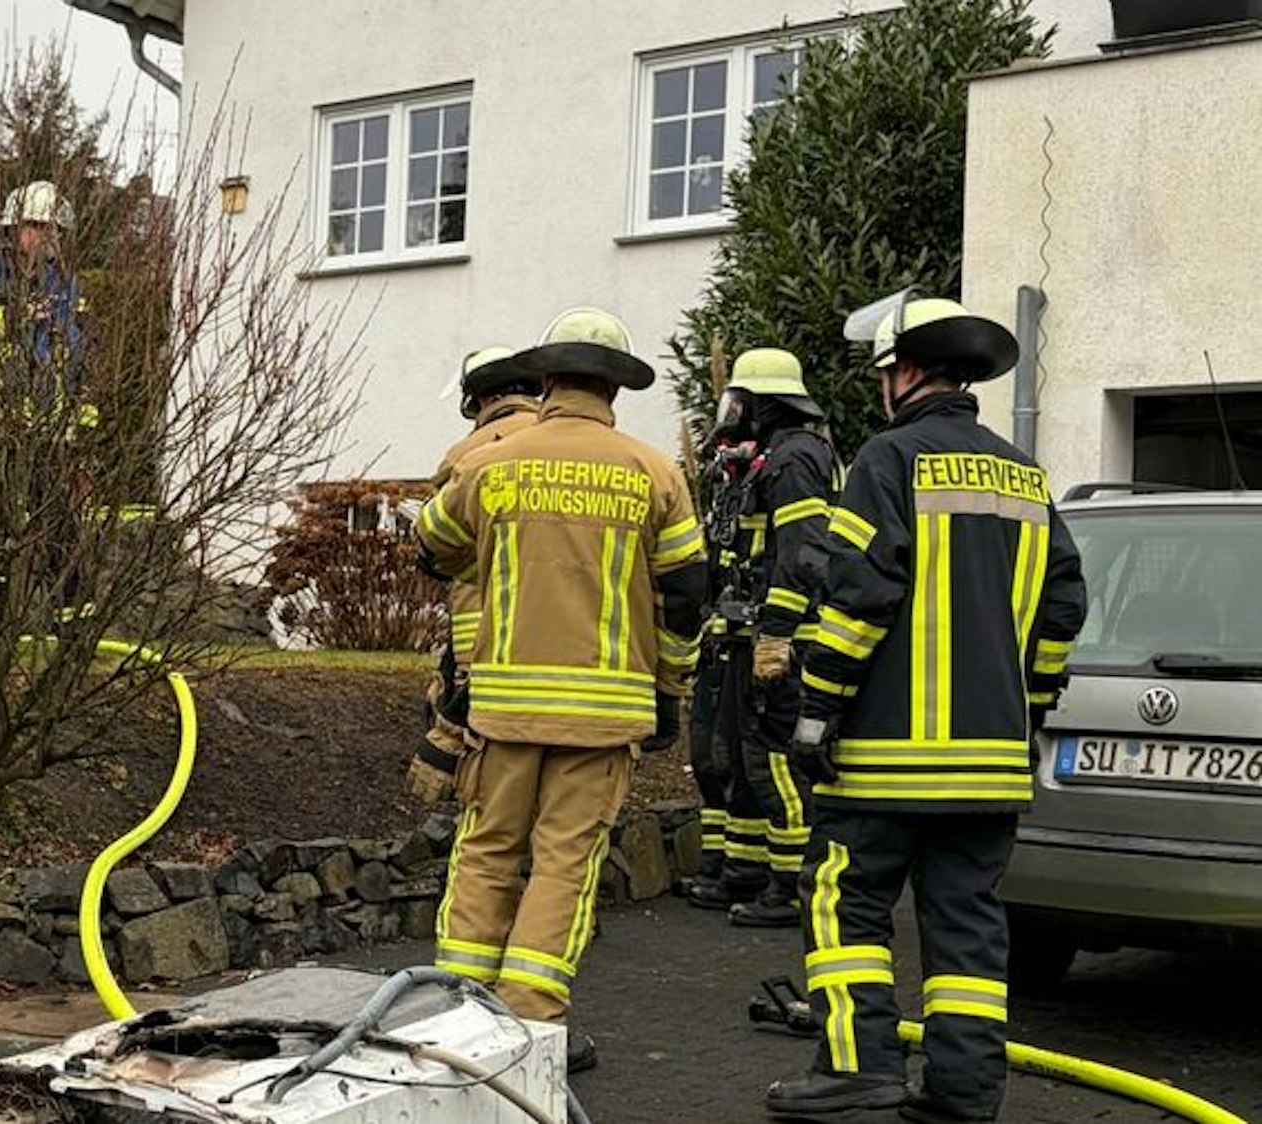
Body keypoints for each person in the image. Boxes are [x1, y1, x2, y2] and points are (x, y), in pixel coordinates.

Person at [764, 295, 1085, 1123]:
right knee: (968, 929)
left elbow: (857, 599)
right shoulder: (1024, 474)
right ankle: (964, 1093)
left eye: (883, 372)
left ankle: (857, 1067)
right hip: (992, 764)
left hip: (885, 759)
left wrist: (815, 712)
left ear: (905, 371)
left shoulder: (888, 458)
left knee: (844, 898)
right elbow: (1062, 609)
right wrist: (1033, 706)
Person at [415, 308, 710, 1072]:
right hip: (606, 714)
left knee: (485, 852)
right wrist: (668, 691)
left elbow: (432, 546)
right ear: (614, 389)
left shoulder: (493, 463)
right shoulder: (655, 473)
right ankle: (530, 1027)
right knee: (563, 867)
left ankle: (455, 1018)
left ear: (545, 381)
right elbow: (686, 597)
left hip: (504, 706)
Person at [687, 348, 842, 928]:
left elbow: (803, 553)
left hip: (786, 638)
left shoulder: (796, 458)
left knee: (776, 764)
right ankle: (745, 870)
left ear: (766, 404)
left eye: (741, 400)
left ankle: (791, 888)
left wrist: (776, 634)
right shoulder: (772, 457)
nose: (732, 412)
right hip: (750, 633)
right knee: (743, 761)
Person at [0, 180, 96, 619]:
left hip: (48, 430)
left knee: (61, 527)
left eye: (52, 229)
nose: (45, 237)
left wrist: (82, 420)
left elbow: (85, 352)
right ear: (12, 228)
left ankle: (74, 622)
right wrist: (10, 317)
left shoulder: (67, 288)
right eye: (34, 226)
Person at [409, 346, 543, 808]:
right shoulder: (570, 447)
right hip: (575, 663)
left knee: (487, 805)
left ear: (479, 400)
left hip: (483, 655)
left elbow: (431, 546)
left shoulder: (466, 456)